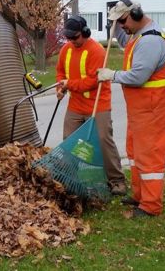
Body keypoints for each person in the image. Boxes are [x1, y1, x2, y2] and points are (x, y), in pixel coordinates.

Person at [97, 0, 165, 217]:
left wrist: (112, 75)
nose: (122, 26)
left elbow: (139, 76)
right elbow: (121, 37)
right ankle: (140, 195)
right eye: (118, 22)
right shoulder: (136, 35)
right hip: (141, 108)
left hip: (154, 107)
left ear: (137, 15)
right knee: (135, 152)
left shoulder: (150, 41)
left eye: (123, 20)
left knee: (149, 154)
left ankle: (151, 205)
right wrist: (111, 22)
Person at [56, 15, 127, 196]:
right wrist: (60, 87)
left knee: (104, 141)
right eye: (69, 37)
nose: (72, 41)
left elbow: (91, 82)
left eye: (75, 37)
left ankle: (117, 181)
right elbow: (60, 72)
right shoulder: (66, 49)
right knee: (69, 142)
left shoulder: (97, 51)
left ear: (85, 32)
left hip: (98, 104)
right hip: (75, 105)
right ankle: (71, 179)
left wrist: (67, 84)